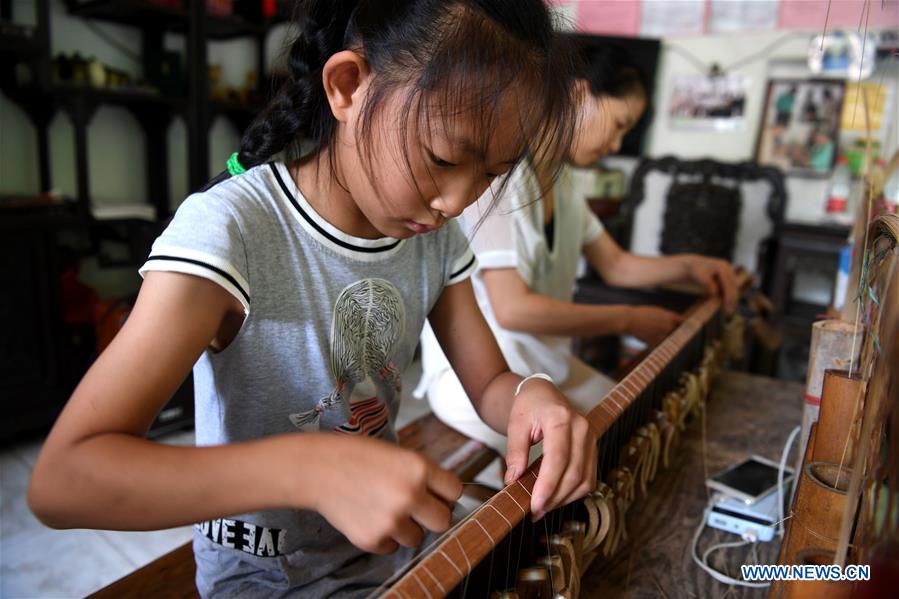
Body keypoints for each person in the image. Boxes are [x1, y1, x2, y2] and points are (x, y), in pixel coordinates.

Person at [27, 1, 599, 596]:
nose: (457, 201)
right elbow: (66, 480)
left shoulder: (432, 238)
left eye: (490, 173)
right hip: (266, 579)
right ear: (347, 86)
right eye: (444, 159)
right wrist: (309, 469)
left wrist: (532, 398)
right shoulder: (230, 233)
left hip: (389, 558)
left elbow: (487, 385)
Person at [418, 42, 737, 463]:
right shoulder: (500, 176)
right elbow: (513, 309)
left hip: (547, 366)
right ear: (579, 94)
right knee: (576, 458)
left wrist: (692, 266)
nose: (617, 144)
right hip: (481, 380)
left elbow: (616, 264)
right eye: (619, 124)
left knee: (636, 425)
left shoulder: (562, 182)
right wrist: (626, 319)